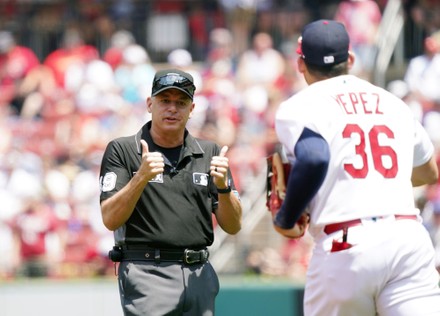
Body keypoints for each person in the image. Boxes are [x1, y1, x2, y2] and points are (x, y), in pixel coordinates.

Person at [272, 19, 440, 316]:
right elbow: (428, 172)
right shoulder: (393, 102)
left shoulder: (300, 105)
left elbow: (313, 157)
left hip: (346, 243)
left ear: (300, 64)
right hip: (407, 238)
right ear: (350, 58)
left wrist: (286, 218)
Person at [99, 68, 242, 316]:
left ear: (192, 108)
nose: (173, 108)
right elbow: (109, 218)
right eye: (165, 100)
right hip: (147, 271)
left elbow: (233, 225)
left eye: (181, 102)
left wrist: (223, 187)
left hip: (199, 273)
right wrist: (141, 178)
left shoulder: (210, 152)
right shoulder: (123, 150)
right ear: (149, 104)